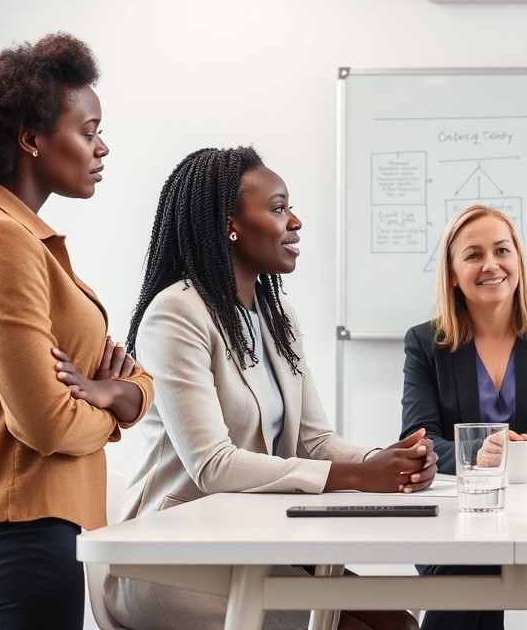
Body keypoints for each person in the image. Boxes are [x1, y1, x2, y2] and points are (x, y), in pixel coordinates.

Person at [106, 147, 430, 630]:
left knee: (399, 624)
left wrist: (382, 462)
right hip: (174, 561)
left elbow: (315, 441)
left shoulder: (277, 317)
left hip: (254, 545)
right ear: (229, 224)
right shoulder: (176, 314)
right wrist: (361, 478)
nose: (295, 221)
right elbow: (213, 465)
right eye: (278, 208)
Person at [0, 32, 154, 630]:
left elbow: (128, 377)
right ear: (31, 140)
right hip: (18, 526)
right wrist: (115, 408)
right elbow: (46, 421)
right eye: (87, 131)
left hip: (12, 525)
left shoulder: (11, 231)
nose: (101, 147)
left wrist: (119, 389)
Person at [401, 204, 527, 630]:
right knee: (469, 564)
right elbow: (419, 439)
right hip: (458, 520)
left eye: (502, 251)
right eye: (474, 255)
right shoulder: (425, 343)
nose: (491, 265)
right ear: (452, 272)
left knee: (468, 572)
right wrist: (480, 455)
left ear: (518, 260)